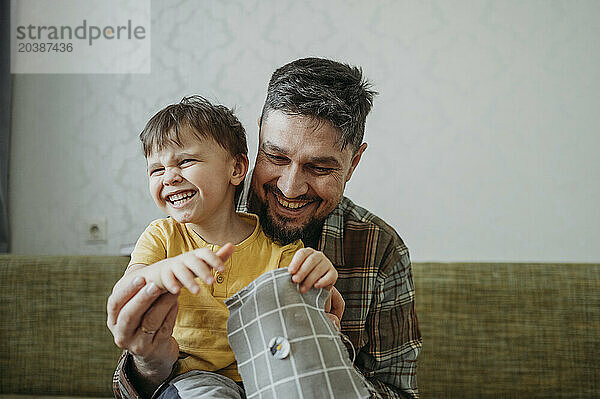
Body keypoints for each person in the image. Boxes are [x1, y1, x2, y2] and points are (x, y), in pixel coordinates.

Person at [108, 58, 421, 399]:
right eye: (277, 157)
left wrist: (325, 360)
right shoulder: (195, 212)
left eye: (318, 167)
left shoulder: (380, 248)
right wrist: (150, 364)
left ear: (353, 163)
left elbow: (399, 392)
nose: (290, 188)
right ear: (258, 138)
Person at [109, 95, 339, 398]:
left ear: (236, 169)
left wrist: (319, 279)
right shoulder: (161, 237)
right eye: (156, 170)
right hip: (192, 381)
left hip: (267, 374)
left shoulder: (281, 249)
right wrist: (163, 270)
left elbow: (311, 316)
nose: (170, 177)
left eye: (185, 161)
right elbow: (128, 290)